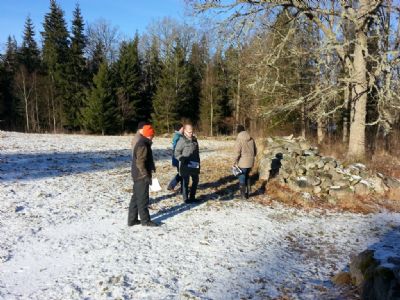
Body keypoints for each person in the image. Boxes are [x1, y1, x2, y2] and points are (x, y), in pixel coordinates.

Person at [128, 124, 158, 227]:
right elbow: (140, 163)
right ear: (149, 135)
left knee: (136, 198)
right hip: (141, 176)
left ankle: (132, 220)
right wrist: (146, 176)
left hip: (137, 175)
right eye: (152, 134)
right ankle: (146, 221)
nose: (153, 136)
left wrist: (151, 167)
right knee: (143, 199)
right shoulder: (143, 145)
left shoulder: (143, 142)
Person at [174, 124, 200, 203]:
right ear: (184, 131)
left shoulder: (195, 140)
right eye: (189, 132)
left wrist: (198, 163)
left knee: (196, 180)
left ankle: (192, 197)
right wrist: (181, 158)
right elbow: (176, 153)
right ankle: (186, 199)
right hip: (185, 164)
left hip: (195, 164)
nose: (191, 134)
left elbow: (197, 152)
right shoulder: (181, 140)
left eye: (192, 132)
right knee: (185, 182)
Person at [233, 125, 257, 200]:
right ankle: (247, 193)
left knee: (242, 177)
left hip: (243, 162)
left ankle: (243, 196)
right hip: (251, 161)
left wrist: (234, 162)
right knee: (247, 176)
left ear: (238, 131)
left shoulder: (239, 139)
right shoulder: (251, 138)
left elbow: (237, 152)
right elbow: (255, 151)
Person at [167, 123, 184, 191]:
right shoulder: (178, 136)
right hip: (178, 158)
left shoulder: (178, 135)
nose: (183, 129)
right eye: (183, 128)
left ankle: (172, 186)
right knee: (182, 173)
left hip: (177, 158)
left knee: (181, 173)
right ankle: (182, 189)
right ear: (180, 128)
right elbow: (178, 148)